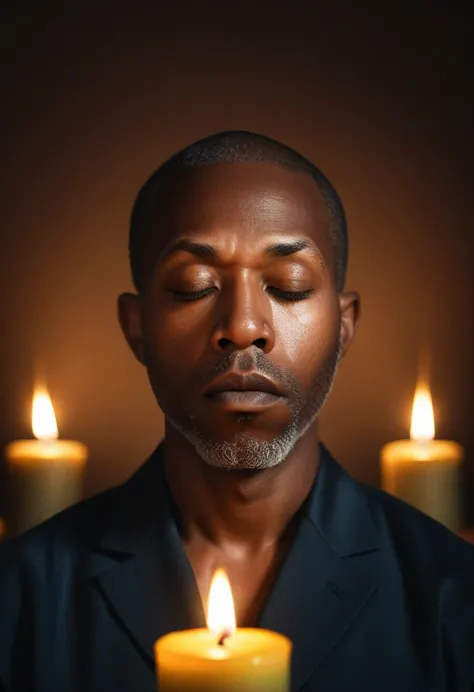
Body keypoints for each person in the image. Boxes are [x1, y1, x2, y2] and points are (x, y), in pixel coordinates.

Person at [1, 131, 473, 692]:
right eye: (193, 285)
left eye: (289, 286)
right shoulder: (21, 598)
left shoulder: (452, 595)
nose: (244, 326)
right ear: (136, 328)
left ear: (343, 326)